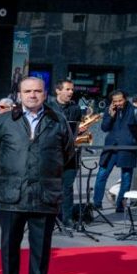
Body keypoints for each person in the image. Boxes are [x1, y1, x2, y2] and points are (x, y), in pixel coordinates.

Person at [0, 77, 74, 274]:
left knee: (41, 246)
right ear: (19, 94)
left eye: (37, 91)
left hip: (44, 193)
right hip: (12, 193)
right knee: (9, 245)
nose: (32, 95)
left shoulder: (58, 120)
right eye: (27, 91)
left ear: (45, 94)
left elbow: (67, 153)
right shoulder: (4, 121)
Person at [92, 90, 137, 213]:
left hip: (127, 148)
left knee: (126, 178)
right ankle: (97, 203)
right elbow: (104, 128)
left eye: (120, 100)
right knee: (101, 175)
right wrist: (110, 115)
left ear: (125, 99)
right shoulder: (110, 110)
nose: (118, 103)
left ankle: (120, 205)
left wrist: (134, 143)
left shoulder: (136, 111)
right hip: (111, 148)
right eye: (115, 101)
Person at [48, 80, 85, 227]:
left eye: (72, 89)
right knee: (50, 186)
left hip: (70, 154)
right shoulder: (48, 107)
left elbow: (77, 128)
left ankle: (67, 218)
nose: (71, 92)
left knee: (67, 187)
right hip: (51, 153)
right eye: (67, 89)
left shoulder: (76, 109)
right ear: (58, 91)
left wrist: (79, 132)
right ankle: (50, 217)